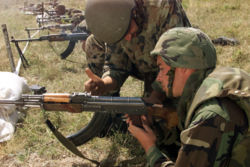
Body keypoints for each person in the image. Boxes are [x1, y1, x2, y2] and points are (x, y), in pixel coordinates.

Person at [127, 27, 250, 167]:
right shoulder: (222, 80)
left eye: (161, 69)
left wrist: (150, 148)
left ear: (183, 68)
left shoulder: (210, 115)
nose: (159, 78)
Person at [83, 0, 191, 155]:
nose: (127, 39)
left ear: (134, 13)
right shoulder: (114, 18)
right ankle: (109, 117)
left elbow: (176, 60)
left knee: (164, 134)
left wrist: (152, 100)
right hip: (142, 63)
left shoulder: (163, 7)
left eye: (128, 31)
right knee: (92, 42)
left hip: (174, 66)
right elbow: (116, 67)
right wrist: (104, 84)